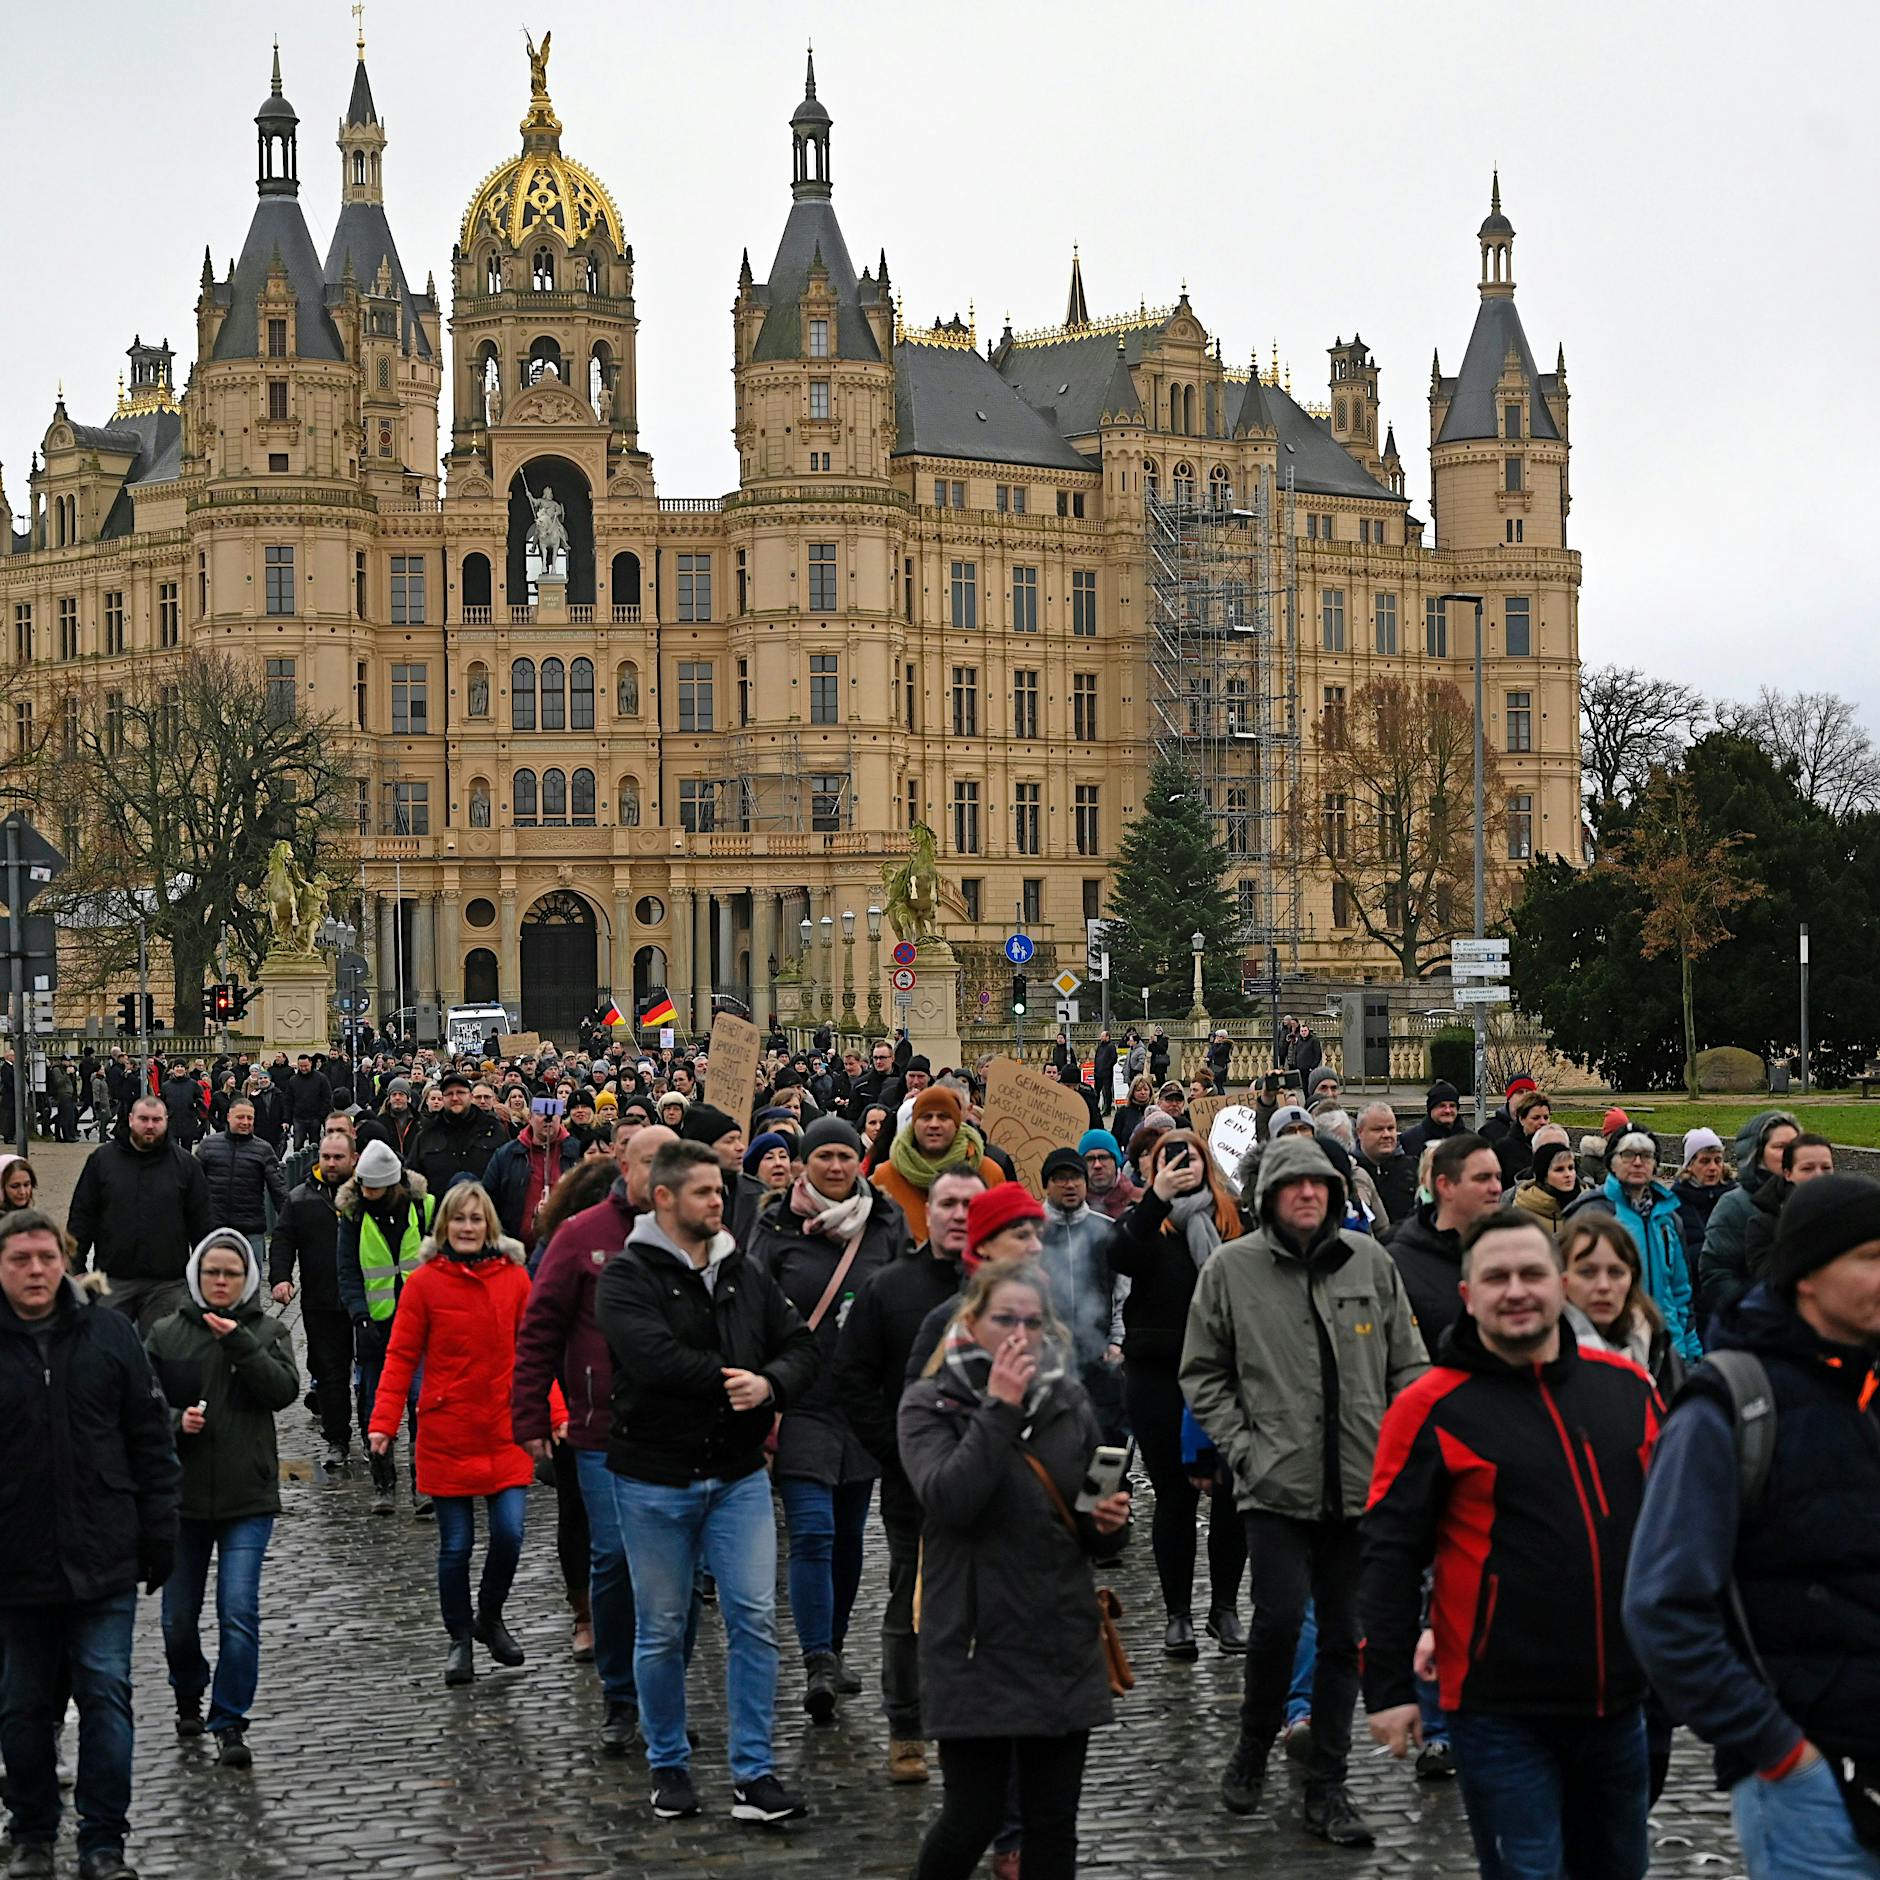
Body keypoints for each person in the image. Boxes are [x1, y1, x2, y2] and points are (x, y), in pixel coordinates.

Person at [1363, 1209, 1661, 1880]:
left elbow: (1672, 1530)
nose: (1516, 1290)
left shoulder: (1627, 1387)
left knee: (1619, 1867)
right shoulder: (1431, 1405)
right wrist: (1386, 1686)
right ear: (1468, 1296)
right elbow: (1387, 1551)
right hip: (1502, 1708)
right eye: (1496, 1277)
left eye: (1532, 1274)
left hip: (1619, 1699)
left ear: (1561, 1285)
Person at [1626, 1174, 1880, 1880]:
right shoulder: (1732, 1404)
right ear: (1806, 1275)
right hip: (1812, 1791)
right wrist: (1777, 1749)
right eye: (1871, 1257)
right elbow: (1662, 1605)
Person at [1182, 1135, 1426, 1845]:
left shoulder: (1370, 1261)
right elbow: (1203, 1372)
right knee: (1281, 1618)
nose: (1309, 1195)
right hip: (1274, 1482)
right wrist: (1243, 1446)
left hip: (1358, 1482)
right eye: (1294, 1186)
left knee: (1344, 1637)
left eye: (1320, 1184)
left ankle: (1328, 1783)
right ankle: (1254, 1745)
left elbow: (1408, 1364)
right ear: (1268, 1197)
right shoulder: (1233, 1269)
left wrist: (1398, 1444)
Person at [594, 1139, 819, 1824]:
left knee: (753, 1618)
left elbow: (800, 1346)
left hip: (738, 1476)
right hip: (654, 1479)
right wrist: (737, 1383)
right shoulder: (626, 1276)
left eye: (721, 1192)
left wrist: (772, 1383)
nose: (719, 1201)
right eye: (703, 1192)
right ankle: (668, 1763)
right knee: (662, 1628)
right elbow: (654, 1360)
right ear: (663, 1198)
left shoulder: (742, 1270)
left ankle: (753, 1773)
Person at [898, 1258, 1132, 1880]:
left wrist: (1108, 1521)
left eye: (1032, 1322)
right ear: (972, 1324)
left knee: (1052, 1823)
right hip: (975, 1642)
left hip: (1058, 1637)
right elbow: (951, 1499)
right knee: (971, 1818)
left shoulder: (1067, 1401)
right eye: (1005, 1319)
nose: (1019, 1334)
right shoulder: (930, 1404)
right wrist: (998, 1408)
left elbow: (1083, 1524)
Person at [0, 1207, 180, 1880]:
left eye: (47, 1257)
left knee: (106, 1694)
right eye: (20, 1259)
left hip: (103, 1551)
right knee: (21, 1704)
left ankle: (104, 1841)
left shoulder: (109, 1335)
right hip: (15, 1563)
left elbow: (149, 1438)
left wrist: (160, 1531)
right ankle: (33, 1834)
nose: (36, 1270)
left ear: (67, 1260)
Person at [513, 1125, 679, 1753]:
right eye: (646, 1161)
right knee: (614, 1555)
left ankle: (663, 1693)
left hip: (678, 1428)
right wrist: (531, 1414)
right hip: (600, 1426)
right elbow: (539, 1329)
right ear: (622, 1166)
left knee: (673, 1574)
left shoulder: (701, 1229)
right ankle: (619, 1692)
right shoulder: (580, 1236)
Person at [747, 1115, 908, 1721]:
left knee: (846, 1535)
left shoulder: (885, 1223)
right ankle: (816, 1655)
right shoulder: (775, 1227)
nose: (836, 1167)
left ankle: (835, 1647)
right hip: (801, 1401)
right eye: (824, 1158)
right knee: (811, 1529)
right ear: (805, 1164)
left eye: (845, 1156)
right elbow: (751, 1307)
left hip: (862, 1404)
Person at [833, 1164, 985, 1785]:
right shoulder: (888, 1287)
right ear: (930, 1210)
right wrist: (898, 1448)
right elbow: (852, 1378)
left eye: (969, 1206)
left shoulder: (1009, 1288)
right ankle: (906, 1725)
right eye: (946, 1204)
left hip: (993, 1480)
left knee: (987, 1607)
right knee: (912, 1603)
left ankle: (971, 1722)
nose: (956, 1215)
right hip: (913, 1481)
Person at [367, 1181, 534, 1686]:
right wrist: (383, 1422)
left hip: (503, 1427)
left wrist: (554, 1412)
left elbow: (533, 1353)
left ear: (489, 1226)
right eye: (458, 1219)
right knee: (455, 1545)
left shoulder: (515, 1279)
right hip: (448, 1428)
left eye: (475, 1219)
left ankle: (490, 1614)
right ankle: (460, 1638)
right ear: (445, 1226)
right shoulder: (424, 1283)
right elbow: (400, 1357)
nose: (467, 1227)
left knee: (510, 1532)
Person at [143, 1228, 298, 1769]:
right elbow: (136, 1407)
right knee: (176, 1621)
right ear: (197, 1276)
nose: (222, 1282)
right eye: (213, 1272)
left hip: (247, 1498)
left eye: (232, 1273)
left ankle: (230, 1719)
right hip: (180, 1500)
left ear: (247, 1278)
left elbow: (283, 1391)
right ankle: (188, 1690)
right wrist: (171, 1422)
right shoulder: (165, 1334)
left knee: (238, 1613)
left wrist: (239, 1341)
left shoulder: (269, 1331)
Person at [1112, 1128, 1248, 1657]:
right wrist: (1157, 1199)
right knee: (1174, 1494)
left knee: (1231, 1492)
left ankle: (1226, 1609)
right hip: (1160, 1373)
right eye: (1169, 1159)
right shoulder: (1147, 1223)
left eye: (1189, 1156)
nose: (1181, 1165)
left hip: (1226, 1373)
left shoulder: (1233, 1217)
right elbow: (1121, 1255)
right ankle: (1177, 1615)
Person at [336, 1140, 437, 1516]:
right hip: (375, 1327)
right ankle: (384, 1484)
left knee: (422, 1405)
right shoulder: (353, 1215)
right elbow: (347, 1270)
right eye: (363, 1186)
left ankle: (423, 1485)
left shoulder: (423, 1208)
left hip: (419, 1324)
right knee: (376, 1408)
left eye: (374, 1188)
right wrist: (359, 1315)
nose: (367, 1193)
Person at [68, 1093, 214, 1333]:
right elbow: (82, 1216)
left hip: (167, 1282)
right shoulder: (102, 1161)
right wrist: (76, 1266)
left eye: (156, 1120)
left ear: (166, 1121)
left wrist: (206, 1273)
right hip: (113, 1278)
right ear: (130, 1119)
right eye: (143, 1119)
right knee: (108, 1351)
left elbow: (202, 1223)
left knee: (162, 1356)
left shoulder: (186, 1165)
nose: (149, 1126)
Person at [1565, 1129, 1702, 1360]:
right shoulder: (1593, 1213)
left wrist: (1691, 1350)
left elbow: (1681, 1289)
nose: (1638, 1163)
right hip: (1613, 1345)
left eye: (1646, 1156)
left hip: (1668, 1347)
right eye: (1628, 1155)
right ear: (1613, 1163)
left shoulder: (1668, 1218)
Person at [268, 1129, 358, 1473]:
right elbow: (283, 1238)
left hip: (366, 1300)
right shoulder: (301, 1197)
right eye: (326, 1157)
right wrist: (280, 1277)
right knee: (330, 1373)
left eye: (338, 1157)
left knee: (369, 1371)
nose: (332, 1163)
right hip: (320, 1300)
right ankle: (337, 1439)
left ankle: (374, 1432)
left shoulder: (369, 1193)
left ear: (353, 1159)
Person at [1038, 1145, 1128, 1443]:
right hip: (1046, 1362)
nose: (1069, 1184)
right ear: (1047, 1184)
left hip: (1100, 1358)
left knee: (1106, 1447)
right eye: (1060, 1177)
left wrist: (1116, 1341)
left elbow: (1121, 1292)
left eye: (1075, 1176)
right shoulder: (1029, 1233)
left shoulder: (1107, 1231)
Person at [1383, 1132, 1504, 1352]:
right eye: (1482, 1178)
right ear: (1445, 1186)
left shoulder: (1512, 1252)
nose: (1496, 1188)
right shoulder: (1398, 1264)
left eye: (1498, 1177)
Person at [1696, 1111, 1799, 1325]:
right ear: (1757, 1153)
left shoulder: (1810, 1201)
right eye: (1780, 1147)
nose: (1790, 1153)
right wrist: (1753, 1312)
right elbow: (1716, 1273)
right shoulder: (1735, 1204)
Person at [871, 1084, 1003, 1245]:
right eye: (926, 1117)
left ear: (957, 1124)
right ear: (914, 1123)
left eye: (943, 1117)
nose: (934, 1124)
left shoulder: (987, 1171)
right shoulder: (886, 1176)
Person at [195, 1097, 290, 1267]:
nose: (245, 1122)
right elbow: (193, 1186)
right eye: (240, 1117)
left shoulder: (263, 1149)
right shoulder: (208, 1146)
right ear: (229, 1117)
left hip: (250, 1228)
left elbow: (278, 1188)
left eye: (250, 1118)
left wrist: (290, 1221)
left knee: (251, 1286)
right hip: (214, 1228)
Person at [481, 1096, 576, 1260]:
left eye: (553, 1114)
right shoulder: (506, 1155)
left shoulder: (576, 1152)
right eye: (540, 1113)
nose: (547, 1119)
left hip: (567, 1253)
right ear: (530, 1117)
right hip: (516, 1254)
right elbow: (487, 1202)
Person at [1739, 1132, 1835, 1288]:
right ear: (1788, 1174)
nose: (1818, 1175)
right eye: (1807, 1168)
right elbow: (1768, 1279)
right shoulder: (1763, 1226)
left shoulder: (1851, 1217)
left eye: (1826, 1168)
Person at [410, 1069, 508, 1199]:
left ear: (470, 1096)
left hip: (486, 1213)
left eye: (460, 1092)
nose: (455, 1098)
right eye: (449, 1094)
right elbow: (414, 1178)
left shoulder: (494, 1130)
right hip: (440, 1214)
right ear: (443, 1098)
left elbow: (509, 1175)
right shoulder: (427, 1133)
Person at [1671, 1126, 1731, 1297]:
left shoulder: (1734, 1199)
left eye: (1718, 1160)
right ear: (1689, 1165)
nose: (1713, 1168)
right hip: (1692, 1293)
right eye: (1705, 1161)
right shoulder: (1674, 1203)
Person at [1355, 1102, 1417, 1223]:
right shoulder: (1351, 1172)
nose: (1386, 1135)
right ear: (1360, 1132)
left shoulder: (1413, 1168)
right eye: (1378, 1129)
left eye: (1390, 1128)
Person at [1512, 1139, 1581, 1236]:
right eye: (1559, 1170)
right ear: (1543, 1175)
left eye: (1571, 1168)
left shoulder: (1589, 1203)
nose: (1568, 1174)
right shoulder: (1523, 1211)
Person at [1080, 1127, 1140, 1223]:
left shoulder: (1140, 1201)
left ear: (1116, 1161)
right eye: (1090, 1159)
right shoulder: (1071, 1206)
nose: (1097, 1165)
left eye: (1103, 1157)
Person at [1399, 1080, 1464, 1161]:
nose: (1448, 1110)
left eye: (1452, 1106)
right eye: (1442, 1106)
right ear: (1430, 1109)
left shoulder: (1471, 1140)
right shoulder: (1409, 1139)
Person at [285, 1053, 333, 1150]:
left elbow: (327, 1097)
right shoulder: (293, 1080)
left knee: (314, 1146)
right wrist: (287, 1118)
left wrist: (321, 1115)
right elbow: (288, 1100)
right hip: (298, 1118)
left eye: (305, 1066)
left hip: (315, 1117)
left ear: (311, 1063)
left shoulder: (321, 1078)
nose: (303, 1068)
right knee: (297, 1146)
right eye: (301, 1066)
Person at [1092, 1029, 1118, 1118]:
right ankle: (1095, 1108)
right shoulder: (1100, 1047)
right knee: (1096, 1092)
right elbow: (1096, 1058)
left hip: (1107, 1073)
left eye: (1103, 1036)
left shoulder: (1111, 1046)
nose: (1101, 1038)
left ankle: (1107, 1110)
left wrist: (1107, 1067)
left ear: (1107, 1037)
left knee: (1107, 1092)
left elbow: (1113, 1059)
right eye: (1101, 1036)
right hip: (1098, 1073)